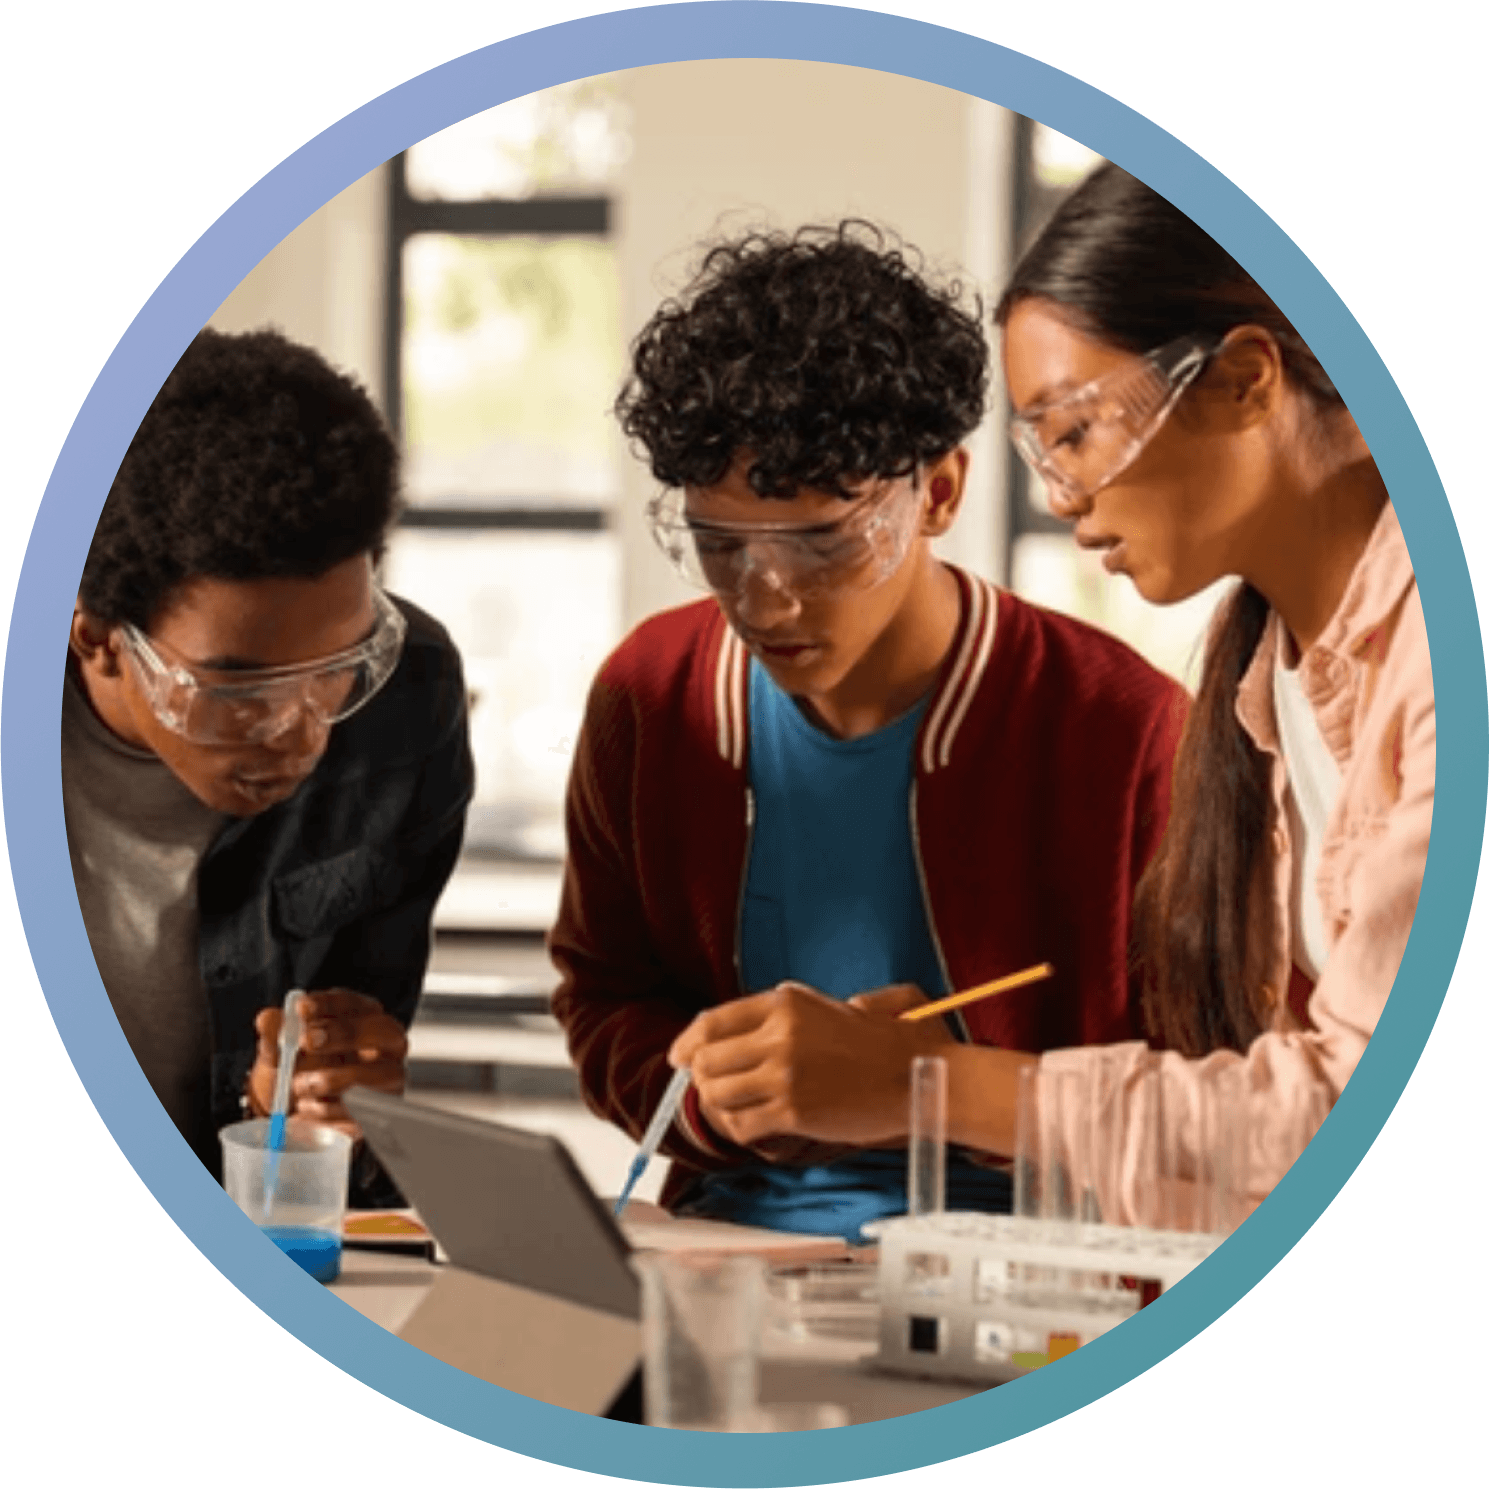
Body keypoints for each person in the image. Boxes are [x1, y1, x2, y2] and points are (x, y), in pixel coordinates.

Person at [549, 223, 1187, 1238]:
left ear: (936, 493)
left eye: (819, 544)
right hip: (726, 1239)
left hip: (1030, 1258)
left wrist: (925, 1087)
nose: (765, 601)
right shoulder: (650, 693)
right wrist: (726, 1103)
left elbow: (1205, 1099)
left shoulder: (1122, 726)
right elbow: (603, 997)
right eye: (719, 545)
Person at [992, 163, 1434, 1217]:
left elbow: (1369, 1111)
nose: (1059, 496)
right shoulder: (1260, 679)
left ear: (1244, 379)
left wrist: (928, 1092)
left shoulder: (1433, 649)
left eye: (1073, 431)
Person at [65, 327, 475, 1204]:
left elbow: (332, 1160)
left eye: (339, 667)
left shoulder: (408, 704)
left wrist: (319, 1116)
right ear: (99, 639)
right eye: (238, 686)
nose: (300, 730)